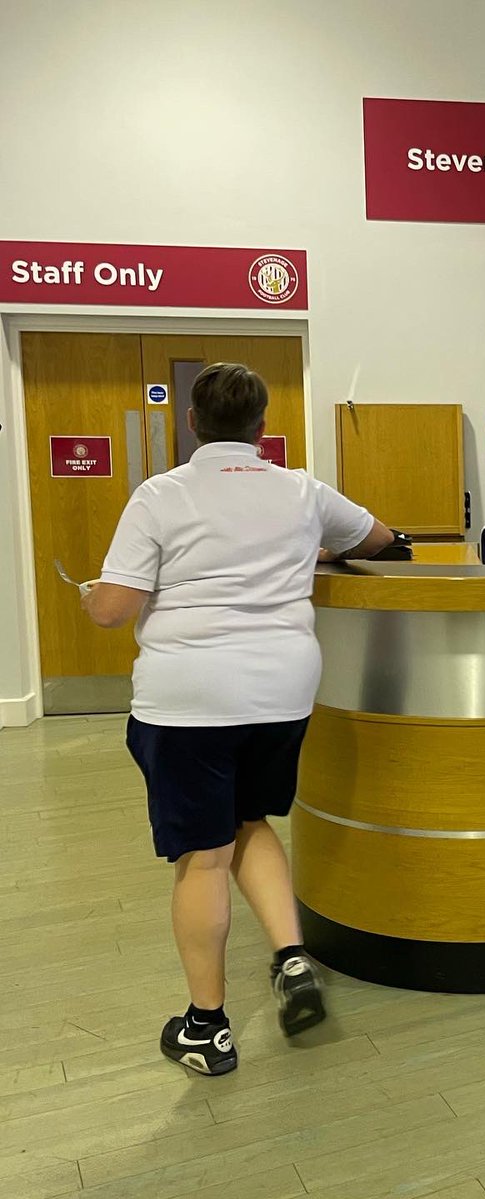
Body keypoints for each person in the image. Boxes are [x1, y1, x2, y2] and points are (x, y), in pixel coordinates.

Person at [83, 363, 393, 1076]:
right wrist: (308, 550)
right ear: (262, 428)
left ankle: (205, 1028)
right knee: (251, 818)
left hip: (189, 697)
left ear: (194, 422)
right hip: (283, 690)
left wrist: (94, 596)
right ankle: (290, 958)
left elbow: (111, 609)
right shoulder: (300, 489)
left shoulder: (162, 494)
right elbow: (377, 539)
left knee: (203, 854)